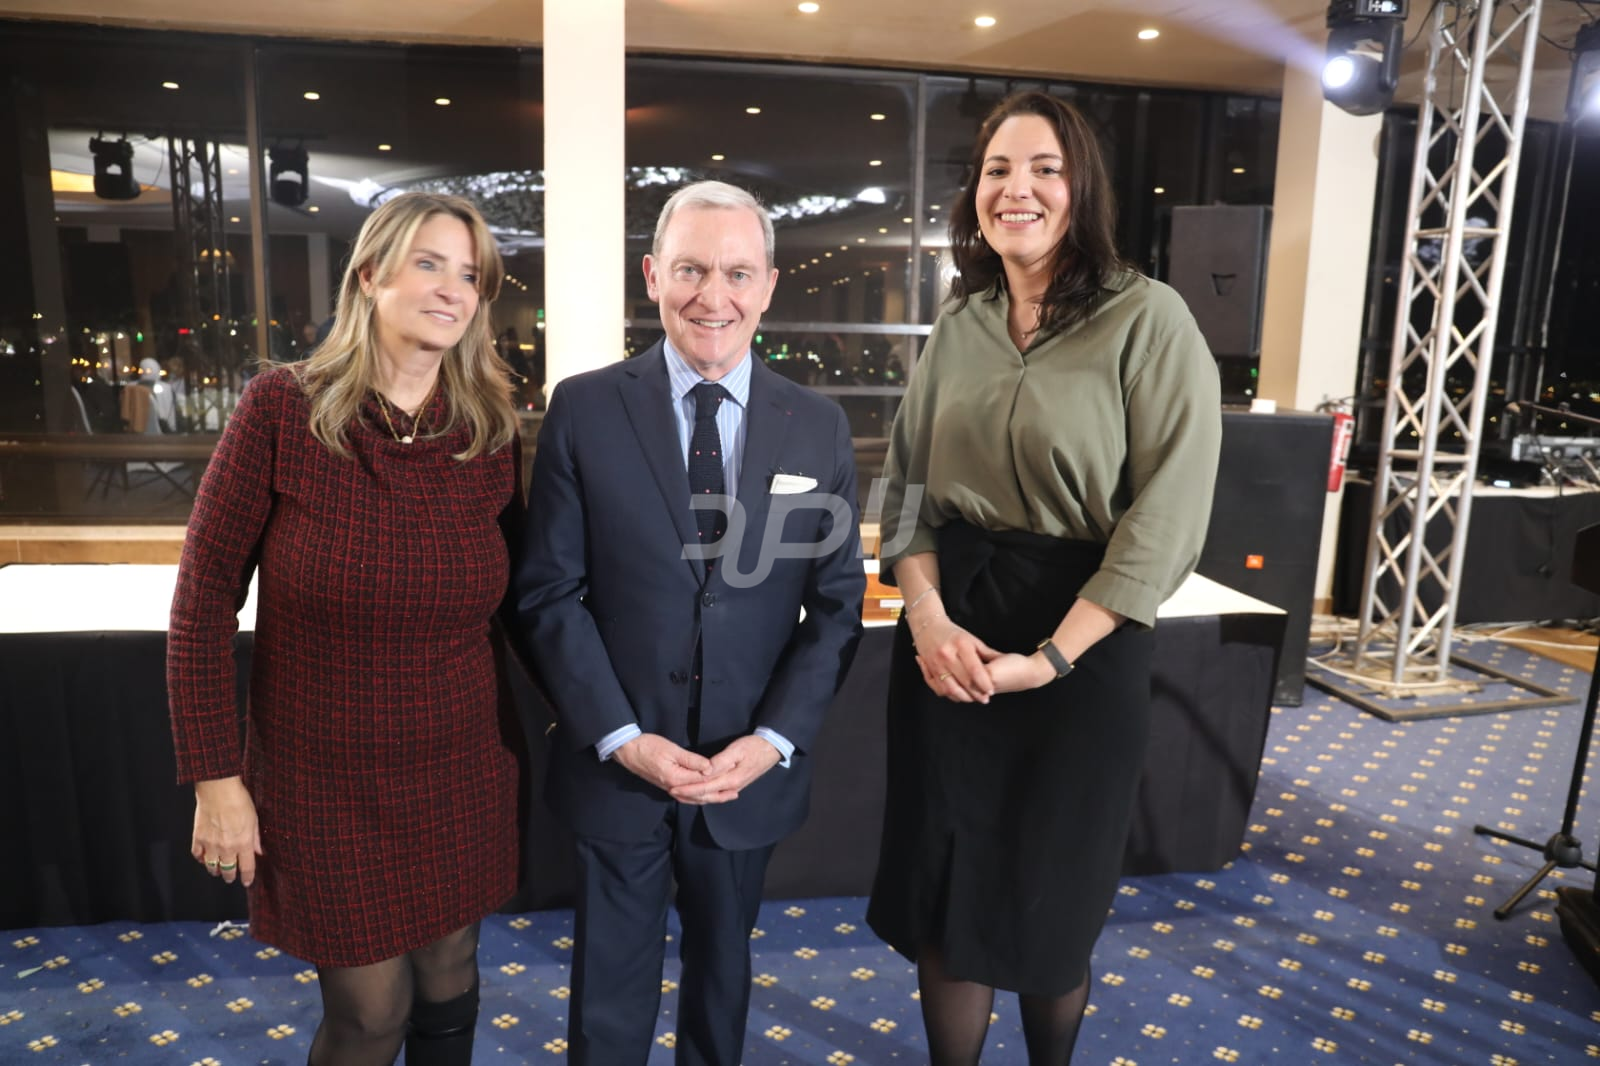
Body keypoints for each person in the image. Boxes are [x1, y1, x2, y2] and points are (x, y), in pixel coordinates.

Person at [866, 90, 1222, 1065]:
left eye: (1044, 169)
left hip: (1082, 644)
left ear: (1082, 188)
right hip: (950, 636)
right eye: (997, 169)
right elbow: (905, 487)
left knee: (1047, 905)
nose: (1015, 188)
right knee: (947, 892)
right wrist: (926, 617)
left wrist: (1053, 659)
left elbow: (1166, 516)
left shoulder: (1149, 318)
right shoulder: (960, 323)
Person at [167, 191, 523, 1066]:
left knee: (451, 980)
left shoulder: (488, 430)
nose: (452, 290)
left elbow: (523, 603)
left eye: (469, 275)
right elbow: (202, 602)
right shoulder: (282, 409)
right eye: (429, 264)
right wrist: (216, 778)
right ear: (369, 276)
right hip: (322, 780)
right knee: (371, 1015)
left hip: (458, 766)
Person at [515, 180, 865, 1066]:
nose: (715, 296)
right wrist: (621, 737)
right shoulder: (584, 408)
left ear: (769, 286)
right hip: (620, 767)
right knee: (608, 1002)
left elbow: (835, 609)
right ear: (652, 276)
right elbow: (548, 593)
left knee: (722, 988)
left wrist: (773, 741)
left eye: (738, 273)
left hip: (744, 773)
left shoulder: (818, 427)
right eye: (691, 270)